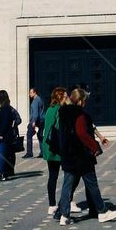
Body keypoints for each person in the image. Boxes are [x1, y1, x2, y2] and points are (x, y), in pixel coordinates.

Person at [56, 86, 116, 224]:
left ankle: (64, 216)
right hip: (81, 155)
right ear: (80, 101)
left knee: (67, 185)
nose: (85, 104)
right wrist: (95, 147)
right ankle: (102, 211)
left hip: (68, 154)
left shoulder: (63, 113)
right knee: (92, 183)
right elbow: (81, 133)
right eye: (84, 101)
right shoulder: (79, 114)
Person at [41, 86, 67, 216]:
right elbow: (59, 128)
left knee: (52, 176)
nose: (67, 99)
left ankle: (52, 204)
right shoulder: (59, 110)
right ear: (60, 98)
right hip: (57, 147)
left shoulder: (49, 110)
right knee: (70, 174)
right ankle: (68, 202)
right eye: (65, 96)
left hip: (48, 146)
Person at [25, 87, 45, 158]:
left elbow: (35, 113)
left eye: (31, 93)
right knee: (40, 136)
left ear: (35, 92)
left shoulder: (35, 101)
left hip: (36, 121)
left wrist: (33, 122)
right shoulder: (40, 99)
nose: (29, 94)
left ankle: (29, 153)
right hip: (41, 120)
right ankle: (42, 152)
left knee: (29, 135)